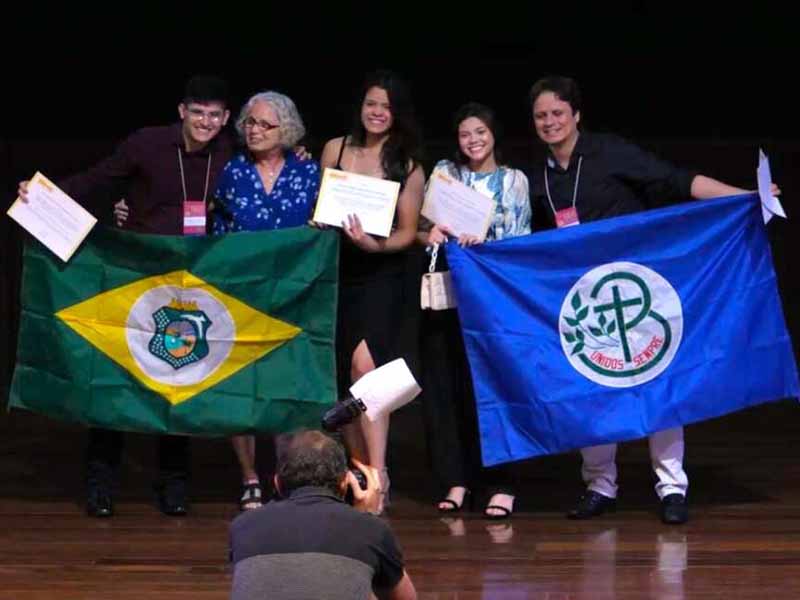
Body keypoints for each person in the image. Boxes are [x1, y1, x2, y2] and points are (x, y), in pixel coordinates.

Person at [527, 75, 777, 525]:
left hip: (639, 289)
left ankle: (672, 487)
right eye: (541, 115)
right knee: (592, 391)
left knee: (657, 384)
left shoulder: (609, 151)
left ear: (576, 114)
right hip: (584, 301)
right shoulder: (535, 172)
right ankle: (600, 486)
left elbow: (678, 180)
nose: (550, 122)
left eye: (558, 113)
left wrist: (747, 198)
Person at [18, 75, 234, 517]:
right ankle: (101, 485)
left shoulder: (229, 154)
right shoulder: (147, 144)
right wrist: (41, 194)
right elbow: (98, 179)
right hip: (133, 278)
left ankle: (174, 486)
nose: (205, 122)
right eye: (198, 112)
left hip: (192, 287)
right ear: (182, 111)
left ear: (226, 118)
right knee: (115, 381)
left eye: (214, 114)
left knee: (178, 382)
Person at [417, 102, 531, 519]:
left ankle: (501, 483)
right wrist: (429, 233)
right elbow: (423, 227)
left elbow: (521, 240)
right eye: (466, 134)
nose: (473, 141)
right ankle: (456, 479)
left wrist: (486, 241)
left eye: (480, 132)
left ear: (494, 134)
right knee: (449, 387)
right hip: (448, 296)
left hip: (494, 299)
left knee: (495, 387)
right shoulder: (446, 172)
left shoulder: (514, 180)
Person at [319, 71, 425, 514]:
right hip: (338, 269)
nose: (377, 113)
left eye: (386, 106)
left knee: (368, 370)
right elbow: (322, 205)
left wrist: (373, 244)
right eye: (370, 104)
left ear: (396, 113)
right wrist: (320, 220)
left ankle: (377, 474)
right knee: (344, 371)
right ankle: (358, 467)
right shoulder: (335, 148)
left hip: (382, 271)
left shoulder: (409, 163)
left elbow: (408, 233)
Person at [212, 90, 321, 510]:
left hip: (294, 295)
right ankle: (249, 475)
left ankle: (282, 473)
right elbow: (215, 229)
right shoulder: (233, 171)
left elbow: (324, 226)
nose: (254, 131)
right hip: (241, 293)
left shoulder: (308, 172)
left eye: (264, 124)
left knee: (284, 387)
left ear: (287, 130)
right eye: (249, 123)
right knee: (242, 387)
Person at [229, 430, 417, 600]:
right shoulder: (371, 530)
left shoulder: (243, 526)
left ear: (277, 483)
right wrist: (368, 517)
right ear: (345, 483)